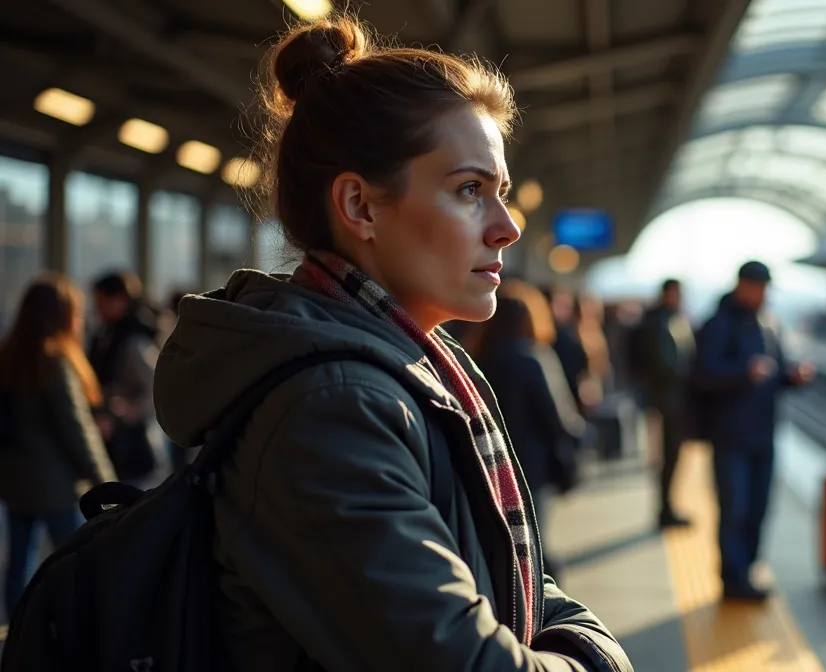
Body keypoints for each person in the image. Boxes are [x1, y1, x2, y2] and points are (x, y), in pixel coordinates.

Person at [152, 17, 629, 670]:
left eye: (503, 194)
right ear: (361, 207)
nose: (507, 229)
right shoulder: (330, 410)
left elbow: (521, 581)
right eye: (470, 190)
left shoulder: (422, 369)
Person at [694, 261, 814, 601]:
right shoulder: (719, 324)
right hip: (730, 434)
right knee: (735, 507)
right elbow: (703, 374)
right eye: (757, 287)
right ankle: (733, 579)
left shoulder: (769, 323)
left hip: (763, 432)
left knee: (760, 505)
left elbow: (776, 373)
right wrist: (743, 373)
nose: (762, 294)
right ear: (742, 285)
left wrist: (793, 377)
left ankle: (747, 568)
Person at [0, 274, 116, 619]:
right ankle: (71, 635)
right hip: (55, 486)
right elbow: (78, 432)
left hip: (16, 483)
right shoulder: (55, 363)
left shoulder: (7, 358)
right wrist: (107, 483)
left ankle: (18, 634)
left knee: (18, 564)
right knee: (77, 562)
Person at [471, 282, 587, 580]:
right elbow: (556, 417)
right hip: (532, 461)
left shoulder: (476, 358)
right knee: (533, 535)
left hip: (489, 458)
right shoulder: (533, 357)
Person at [632, 279, 696, 528]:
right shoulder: (661, 323)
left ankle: (667, 506)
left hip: (670, 400)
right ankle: (664, 510)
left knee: (671, 456)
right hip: (667, 401)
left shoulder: (668, 319)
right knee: (667, 457)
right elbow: (667, 364)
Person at [87, 270, 161, 484]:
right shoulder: (105, 334)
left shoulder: (133, 341)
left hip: (131, 446)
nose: (97, 307)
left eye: (101, 301)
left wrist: (129, 410)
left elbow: (155, 389)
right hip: (111, 442)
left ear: (119, 300)